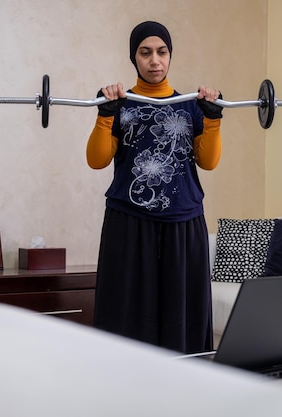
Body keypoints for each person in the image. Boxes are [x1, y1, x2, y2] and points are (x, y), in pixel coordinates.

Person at [86, 21, 222, 354]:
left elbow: (209, 162)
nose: (154, 61)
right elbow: (97, 160)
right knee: (125, 313)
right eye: (145, 53)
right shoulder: (120, 104)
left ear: (170, 56)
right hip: (128, 220)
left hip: (184, 221)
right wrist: (105, 116)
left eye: (162, 52)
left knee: (183, 318)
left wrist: (213, 120)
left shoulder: (191, 106)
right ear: (134, 57)